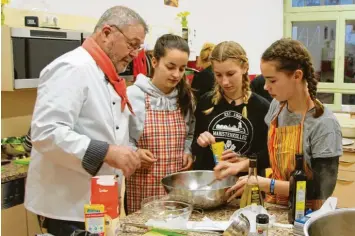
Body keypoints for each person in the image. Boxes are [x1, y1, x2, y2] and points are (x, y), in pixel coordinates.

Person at [24, 6, 148, 235]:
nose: (134, 54)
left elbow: (105, 129)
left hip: (96, 202)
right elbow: (46, 132)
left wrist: (128, 152)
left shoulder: (105, 73)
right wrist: (108, 152)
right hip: (66, 206)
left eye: (138, 48)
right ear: (107, 32)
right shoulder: (72, 67)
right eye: (132, 44)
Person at [216, 38, 342, 210]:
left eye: (272, 80)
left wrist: (266, 184)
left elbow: (321, 189)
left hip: (307, 213)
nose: (266, 87)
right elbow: (274, 152)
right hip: (276, 207)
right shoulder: (277, 107)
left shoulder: (324, 124)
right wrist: (243, 163)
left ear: (297, 76)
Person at [126, 34, 195, 214]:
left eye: (182, 69)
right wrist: (135, 153)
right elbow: (119, 137)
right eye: (170, 67)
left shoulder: (185, 97)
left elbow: (190, 133)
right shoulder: (133, 95)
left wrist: (187, 150)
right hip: (143, 184)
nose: (176, 74)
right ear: (155, 61)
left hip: (176, 188)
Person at [192, 41, 270, 174]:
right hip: (212, 183)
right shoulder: (206, 102)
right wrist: (200, 142)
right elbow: (194, 148)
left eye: (230, 74)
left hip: (245, 186)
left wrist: (245, 161)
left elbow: (269, 156)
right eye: (218, 75)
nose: (224, 82)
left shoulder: (262, 107)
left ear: (245, 68)